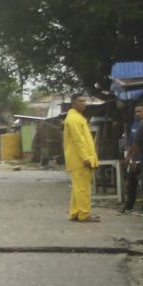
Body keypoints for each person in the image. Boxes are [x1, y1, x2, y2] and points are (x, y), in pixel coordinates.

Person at [63, 94, 99, 222]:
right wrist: (86, 158)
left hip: (80, 158)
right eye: (80, 101)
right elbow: (78, 140)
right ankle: (84, 214)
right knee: (83, 188)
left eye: (85, 101)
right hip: (79, 159)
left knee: (78, 188)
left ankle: (75, 212)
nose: (83, 103)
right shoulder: (73, 119)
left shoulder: (78, 118)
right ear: (73, 103)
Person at [121, 103, 143, 214]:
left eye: (139, 111)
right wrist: (129, 157)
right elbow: (131, 143)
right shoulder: (133, 125)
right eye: (136, 111)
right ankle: (129, 206)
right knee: (131, 184)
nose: (137, 113)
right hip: (134, 160)